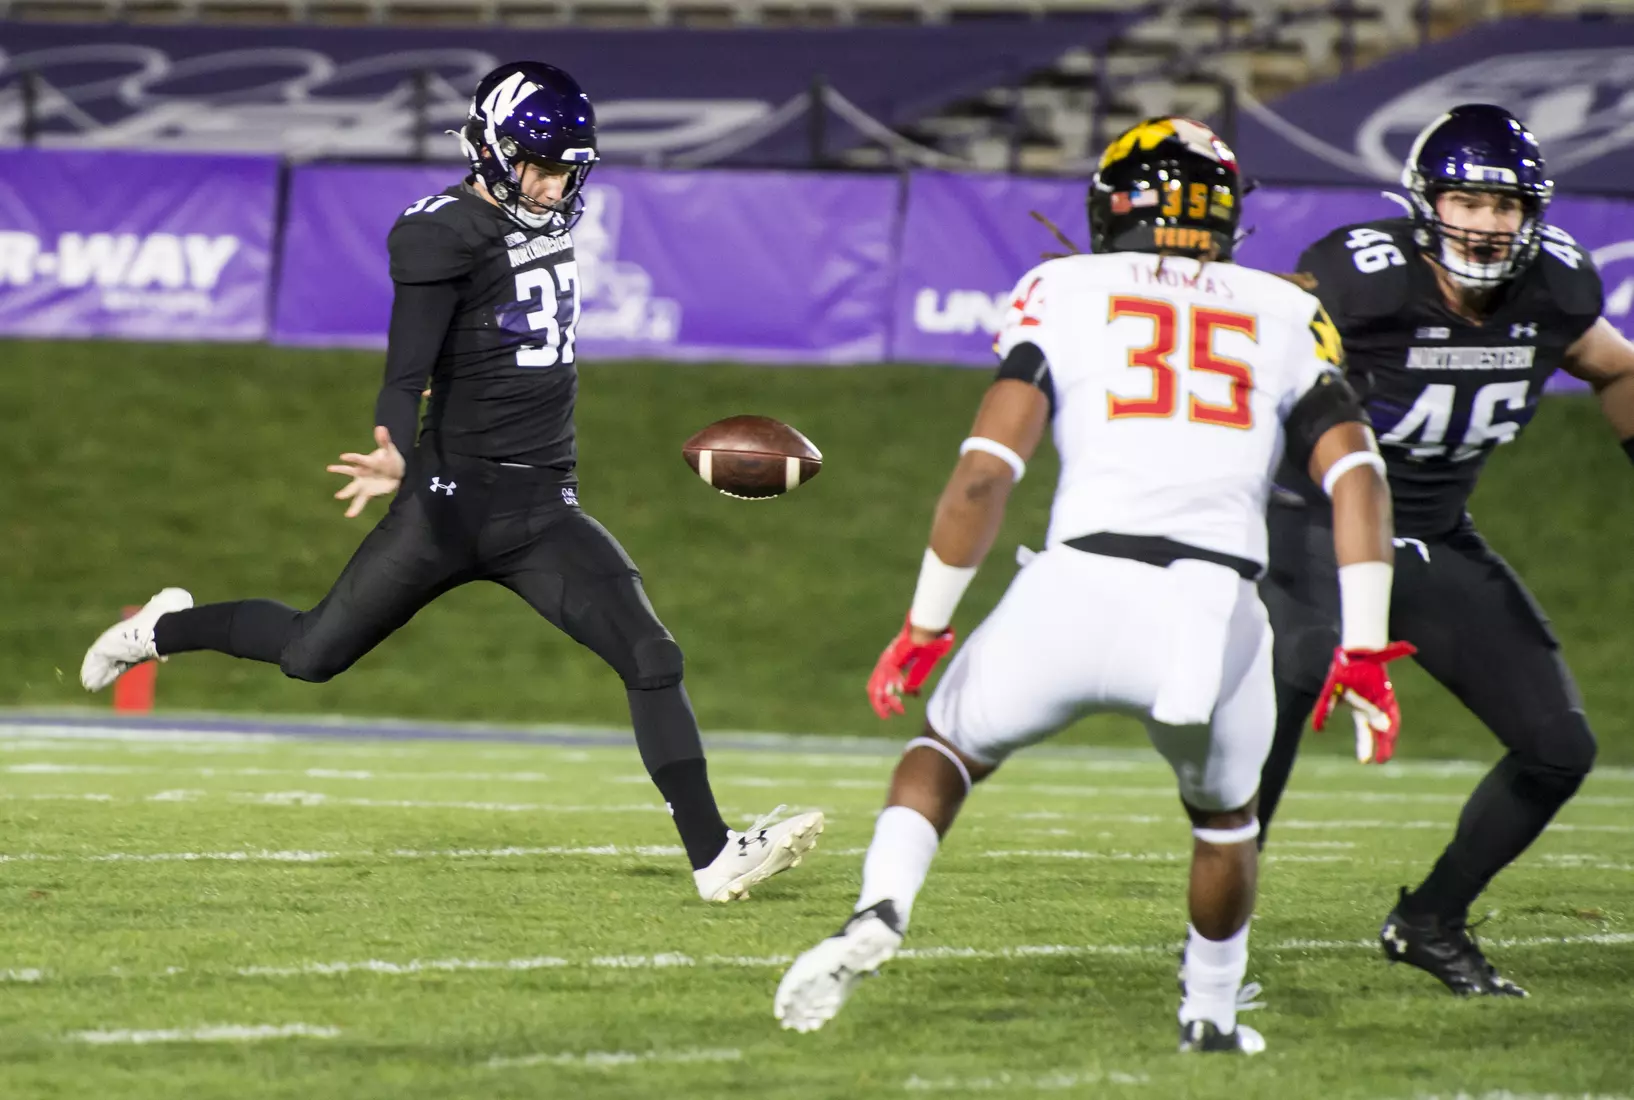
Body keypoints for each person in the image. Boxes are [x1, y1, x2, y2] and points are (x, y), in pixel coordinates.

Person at [78, 61, 822, 904]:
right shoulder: (441, 231)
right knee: (310, 655)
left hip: (542, 506)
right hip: (447, 506)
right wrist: (394, 446)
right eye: (539, 165)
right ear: (496, 152)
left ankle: (713, 854)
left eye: (567, 168)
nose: (553, 184)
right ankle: (163, 628)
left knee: (652, 655)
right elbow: (407, 368)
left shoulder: (541, 213)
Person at [773, 117, 1409, 1052]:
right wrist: (1363, 648)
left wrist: (925, 625)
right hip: (1213, 612)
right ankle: (1211, 1015)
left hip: (1074, 587)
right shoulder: (1282, 310)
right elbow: (1358, 478)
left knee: (943, 752)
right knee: (1227, 822)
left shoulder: (1060, 288)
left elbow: (986, 473)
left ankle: (879, 909)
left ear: (1112, 207)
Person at [1256, 104, 1634, 997]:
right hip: (1309, 519)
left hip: (1429, 534)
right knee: (1292, 677)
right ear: (1425, 201)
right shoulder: (1365, 279)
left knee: (1558, 749)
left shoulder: (1554, 288)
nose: (1487, 224)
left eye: (1506, 208)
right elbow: (1261, 325)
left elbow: (1614, 365)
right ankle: (1217, 934)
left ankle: (1429, 920)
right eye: (1467, 201)